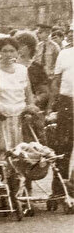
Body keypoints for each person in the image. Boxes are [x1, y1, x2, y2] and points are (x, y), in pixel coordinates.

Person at [0, 37, 37, 150]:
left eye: (12, 51)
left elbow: (28, 93)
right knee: (2, 150)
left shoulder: (22, 69)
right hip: (0, 116)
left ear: (17, 52)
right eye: (5, 51)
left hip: (20, 117)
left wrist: (30, 109)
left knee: (21, 151)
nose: (8, 54)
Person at [51, 37, 74, 197]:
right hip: (66, 102)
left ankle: (72, 188)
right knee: (62, 147)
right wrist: (50, 107)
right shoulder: (64, 54)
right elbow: (55, 82)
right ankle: (60, 191)